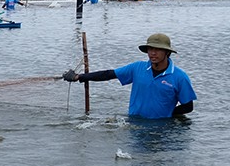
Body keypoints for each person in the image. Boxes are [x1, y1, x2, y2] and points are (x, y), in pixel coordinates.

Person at [63, 32, 195, 119]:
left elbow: (188, 107)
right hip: (135, 123)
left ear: (167, 52)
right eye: (150, 49)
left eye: (158, 49)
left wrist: (166, 114)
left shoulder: (179, 77)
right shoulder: (137, 68)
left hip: (163, 127)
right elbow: (109, 74)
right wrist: (79, 77)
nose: (153, 53)